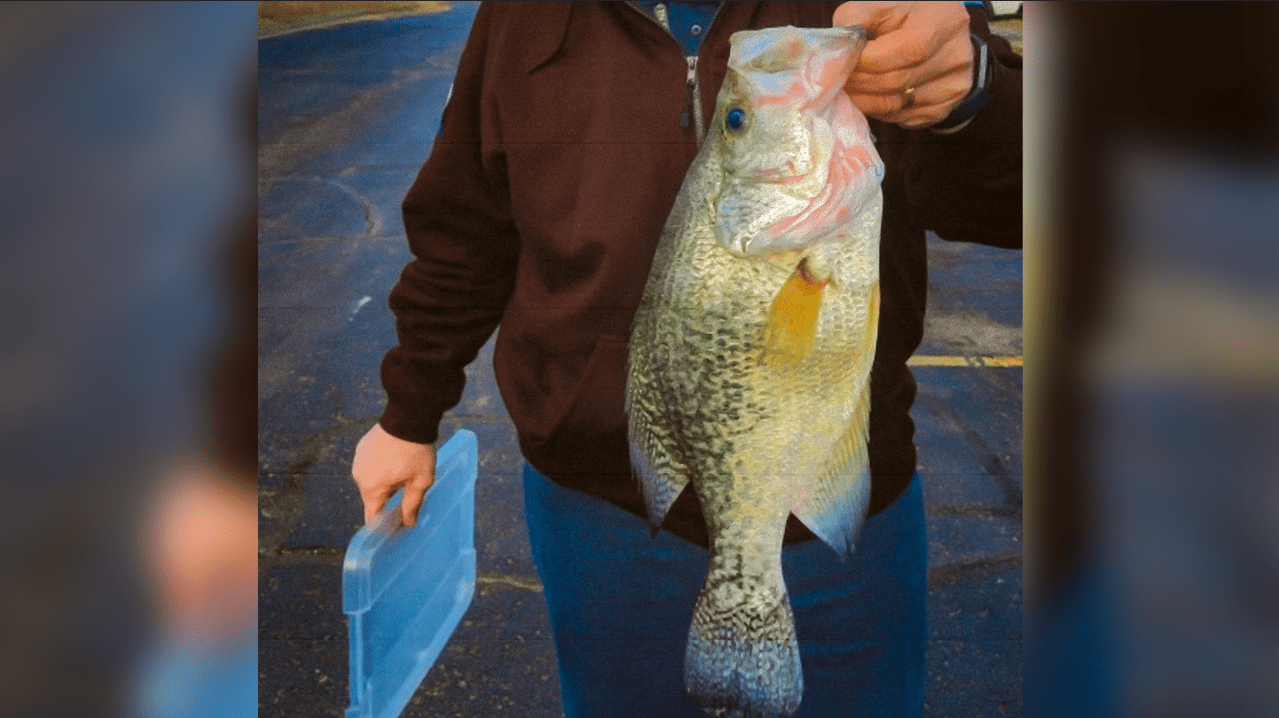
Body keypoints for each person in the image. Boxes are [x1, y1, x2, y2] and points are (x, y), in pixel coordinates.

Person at [351, 2, 1021, 716]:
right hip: (598, 508)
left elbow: (1012, 204)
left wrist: (971, 95)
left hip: (840, 499)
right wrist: (407, 411)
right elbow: (463, 229)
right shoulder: (519, 14)